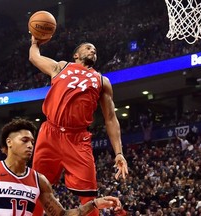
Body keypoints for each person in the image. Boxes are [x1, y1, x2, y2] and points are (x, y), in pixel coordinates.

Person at [0, 118, 123, 216]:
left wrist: (94, 204)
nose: (30, 145)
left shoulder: (39, 180)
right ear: (9, 142)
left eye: (32, 141)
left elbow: (62, 215)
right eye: (24, 140)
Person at [29, 36, 128, 216]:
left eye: (95, 50)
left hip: (77, 139)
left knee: (89, 195)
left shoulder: (101, 80)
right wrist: (35, 43)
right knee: (37, 188)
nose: (93, 51)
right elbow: (34, 58)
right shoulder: (61, 67)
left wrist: (119, 153)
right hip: (50, 133)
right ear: (76, 55)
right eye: (89, 48)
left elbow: (111, 118)